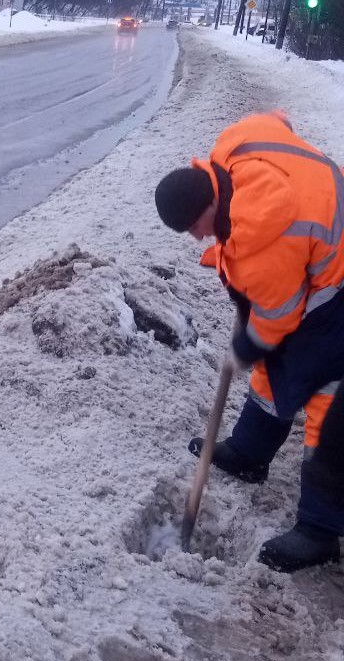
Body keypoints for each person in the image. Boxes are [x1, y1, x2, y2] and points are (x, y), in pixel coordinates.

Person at [154, 110, 344, 572]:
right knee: (275, 369)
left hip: (336, 286)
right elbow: (275, 119)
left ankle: (319, 531)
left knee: (328, 397)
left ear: (209, 204)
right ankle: (250, 452)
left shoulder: (266, 233)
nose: (196, 237)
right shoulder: (234, 148)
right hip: (319, 244)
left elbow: (278, 318)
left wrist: (243, 348)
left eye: (195, 228)